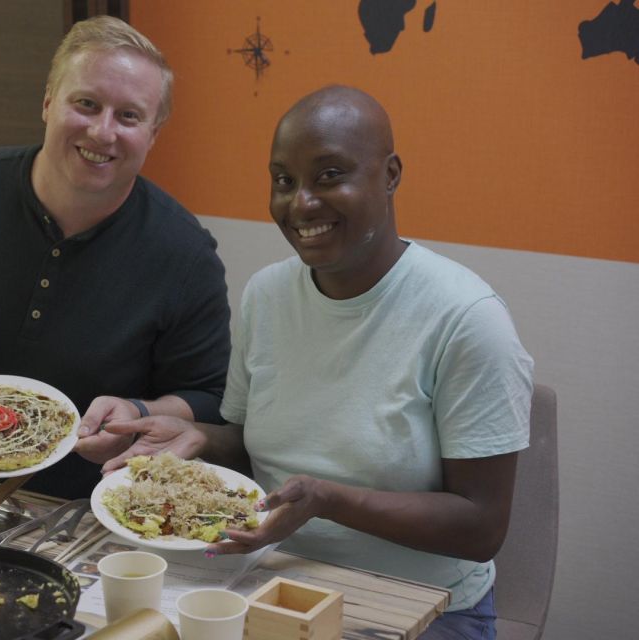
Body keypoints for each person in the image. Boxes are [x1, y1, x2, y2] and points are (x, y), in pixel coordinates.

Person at [77, 85, 534, 638]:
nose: (301, 203)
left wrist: (328, 500)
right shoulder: (268, 294)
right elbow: (252, 443)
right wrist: (195, 435)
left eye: (329, 175)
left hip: (419, 603)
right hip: (271, 575)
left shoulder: (466, 319)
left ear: (390, 175)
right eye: (283, 180)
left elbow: (482, 527)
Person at [0, 16, 231, 499]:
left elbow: (208, 396)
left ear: (153, 133)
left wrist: (139, 411)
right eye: (86, 103)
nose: (102, 131)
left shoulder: (186, 254)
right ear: (49, 101)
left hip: (88, 506)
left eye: (129, 116)